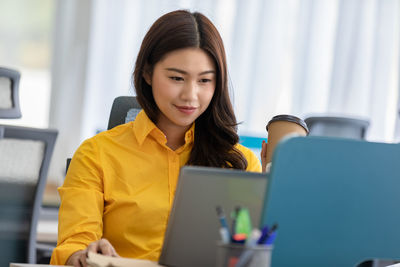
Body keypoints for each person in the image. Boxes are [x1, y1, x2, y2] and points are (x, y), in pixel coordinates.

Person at [50, 9, 267, 267]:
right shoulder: (96, 154)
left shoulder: (240, 163)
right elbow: (73, 245)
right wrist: (85, 255)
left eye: (204, 80)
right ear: (147, 73)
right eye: (177, 78)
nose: (190, 95)